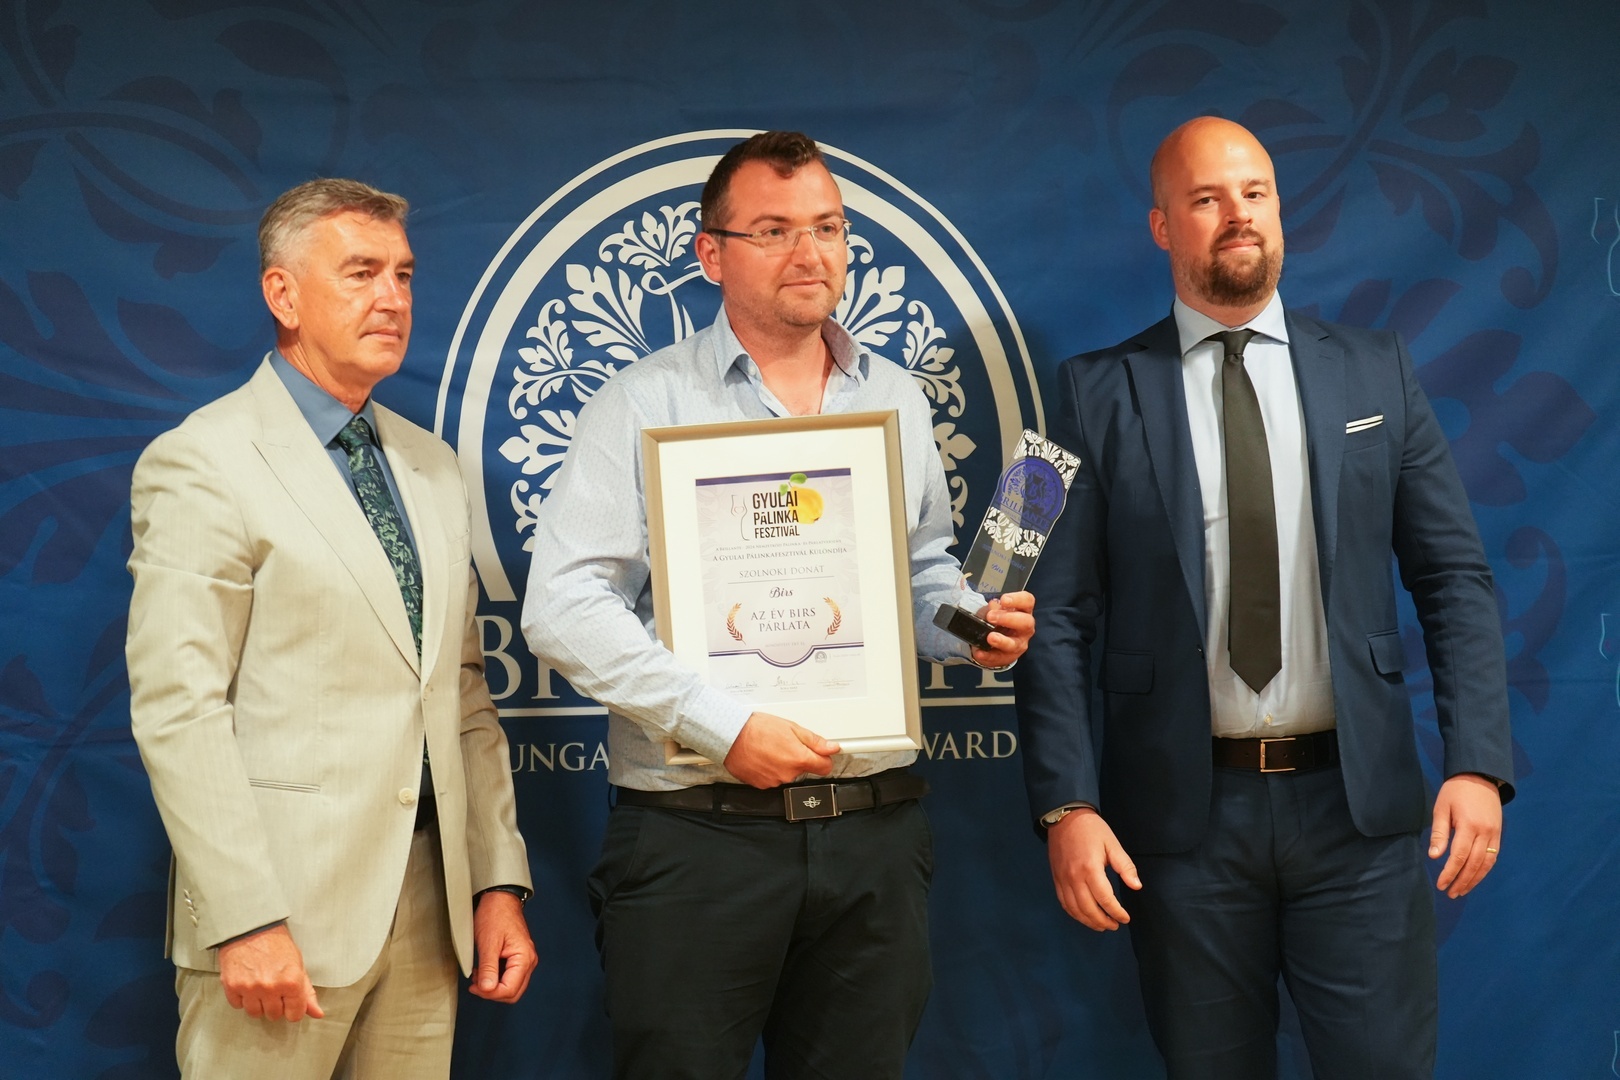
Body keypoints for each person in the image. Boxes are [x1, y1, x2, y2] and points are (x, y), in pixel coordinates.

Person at [521, 130, 1035, 1080]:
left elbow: (918, 573)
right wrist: (720, 724)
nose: (810, 253)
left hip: (873, 829)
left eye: (828, 227)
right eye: (773, 230)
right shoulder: (643, 401)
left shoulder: (894, 397)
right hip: (698, 835)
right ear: (711, 253)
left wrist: (974, 629)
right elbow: (560, 605)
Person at [1014, 116, 1515, 1079]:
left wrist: (1479, 763)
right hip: (1181, 827)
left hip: (1357, 814)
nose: (1237, 214)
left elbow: (1453, 576)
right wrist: (1066, 804)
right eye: (1206, 198)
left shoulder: (1376, 369)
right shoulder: (1089, 393)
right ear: (1163, 226)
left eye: (1255, 192)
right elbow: (1053, 617)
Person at [126, 178, 534, 1078]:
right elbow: (179, 709)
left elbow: (462, 692)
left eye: (403, 274)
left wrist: (495, 881)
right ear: (282, 294)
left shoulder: (431, 467)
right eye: (360, 273)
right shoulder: (202, 462)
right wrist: (244, 917)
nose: (392, 298)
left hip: (431, 913)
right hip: (279, 918)